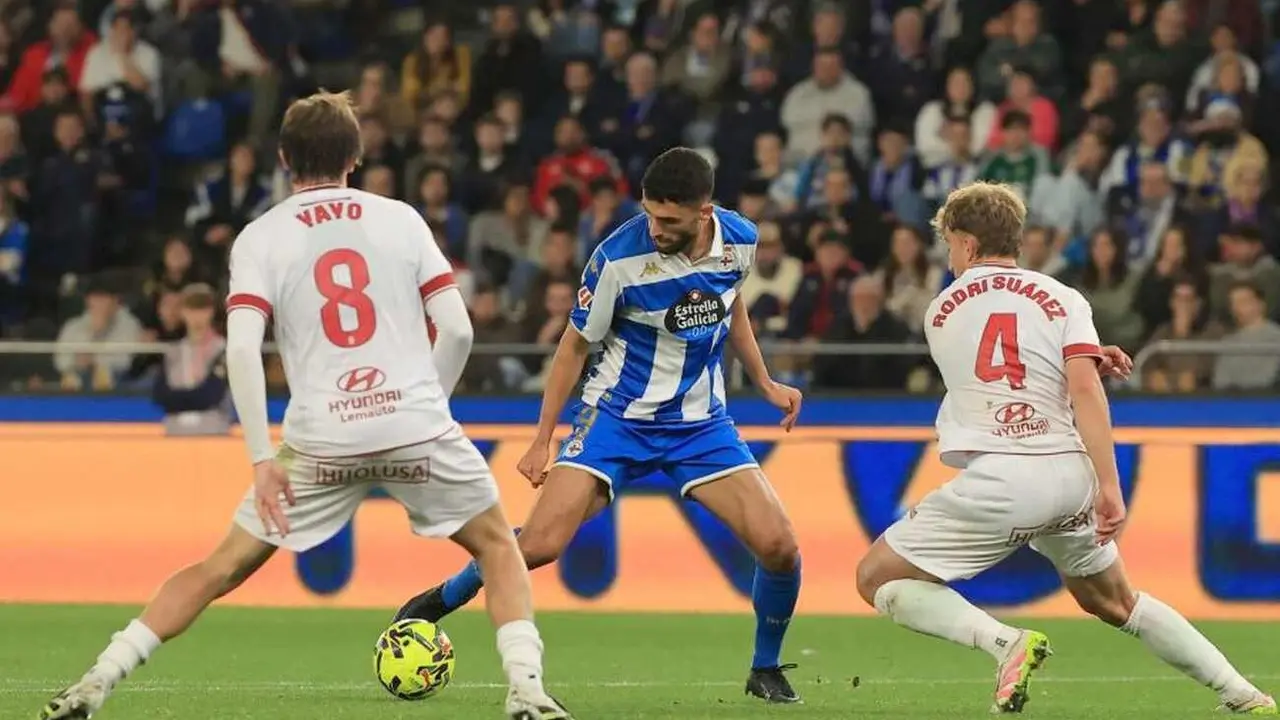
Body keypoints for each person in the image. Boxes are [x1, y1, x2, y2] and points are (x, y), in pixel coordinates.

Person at [37, 91, 573, 720]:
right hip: (414, 425)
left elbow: (241, 352)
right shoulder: (400, 218)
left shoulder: (261, 237)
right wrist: (428, 405)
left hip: (320, 440)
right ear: (357, 154)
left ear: (285, 158)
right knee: (497, 547)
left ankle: (98, 680)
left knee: (219, 569)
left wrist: (262, 457)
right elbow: (456, 329)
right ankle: (527, 691)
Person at [395, 147, 807, 704]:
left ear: (704, 212)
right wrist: (543, 439)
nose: (654, 228)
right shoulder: (617, 258)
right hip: (616, 419)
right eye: (649, 213)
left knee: (780, 546)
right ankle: (439, 600)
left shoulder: (741, 240)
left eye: (669, 220)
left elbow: (732, 306)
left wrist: (764, 381)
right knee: (540, 544)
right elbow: (572, 347)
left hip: (699, 425)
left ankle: (765, 669)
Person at [853, 181, 1277, 715]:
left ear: (964, 242)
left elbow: (996, 360)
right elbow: (1076, 385)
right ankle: (1244, 694)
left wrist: (1076, 363)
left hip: (1004, 478)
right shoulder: (1063, 298)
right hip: (1070, 475)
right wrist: (1109, 483)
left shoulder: (940, 310)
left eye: (949, 245)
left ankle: (1005, 644)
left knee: (876, 578)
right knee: (1117, 601)